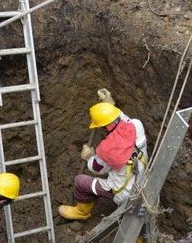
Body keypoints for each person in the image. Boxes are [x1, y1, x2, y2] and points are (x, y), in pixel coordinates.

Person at [58, 89, 148, 220]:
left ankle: (82, 212)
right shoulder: (136, 125)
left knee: (80, 182)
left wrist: (89, 156)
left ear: (104, 127)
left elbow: (96, 169)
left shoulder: (108, 149)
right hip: (142, 181)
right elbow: (124, 121)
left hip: (124, 193)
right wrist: (110, 106)